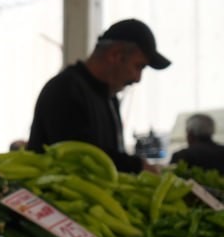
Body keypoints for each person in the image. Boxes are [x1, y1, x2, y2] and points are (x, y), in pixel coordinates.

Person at [27, 18, 170, 174]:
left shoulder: (108, 97)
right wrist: (137, 166)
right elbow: (80, 156)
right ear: (115, 55)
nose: (138, 78)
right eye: (138, 66)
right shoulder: (65, 90)